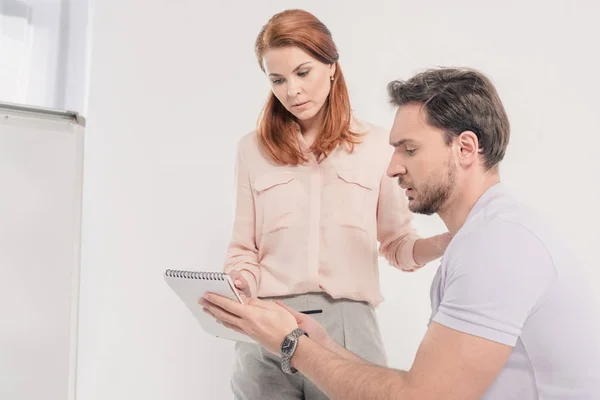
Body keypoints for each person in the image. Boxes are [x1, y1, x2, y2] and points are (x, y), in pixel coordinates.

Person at [204, 67, 600, 399]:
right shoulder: (490, 235)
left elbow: (419, 398)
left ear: (465, 149)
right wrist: (321, 345)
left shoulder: (498, 246)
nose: (392, 168)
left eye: (408, 150)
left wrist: (292, 346)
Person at [221, 9, 451, 400]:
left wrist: (447, 242)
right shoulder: (252, 150)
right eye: (277, 79)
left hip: (349, 328)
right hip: (267, 324)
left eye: (302, 72)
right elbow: (244, 248)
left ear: (331, 66)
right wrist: (239, 282)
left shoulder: (378, 145)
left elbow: (396, 243)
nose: (292, 90)